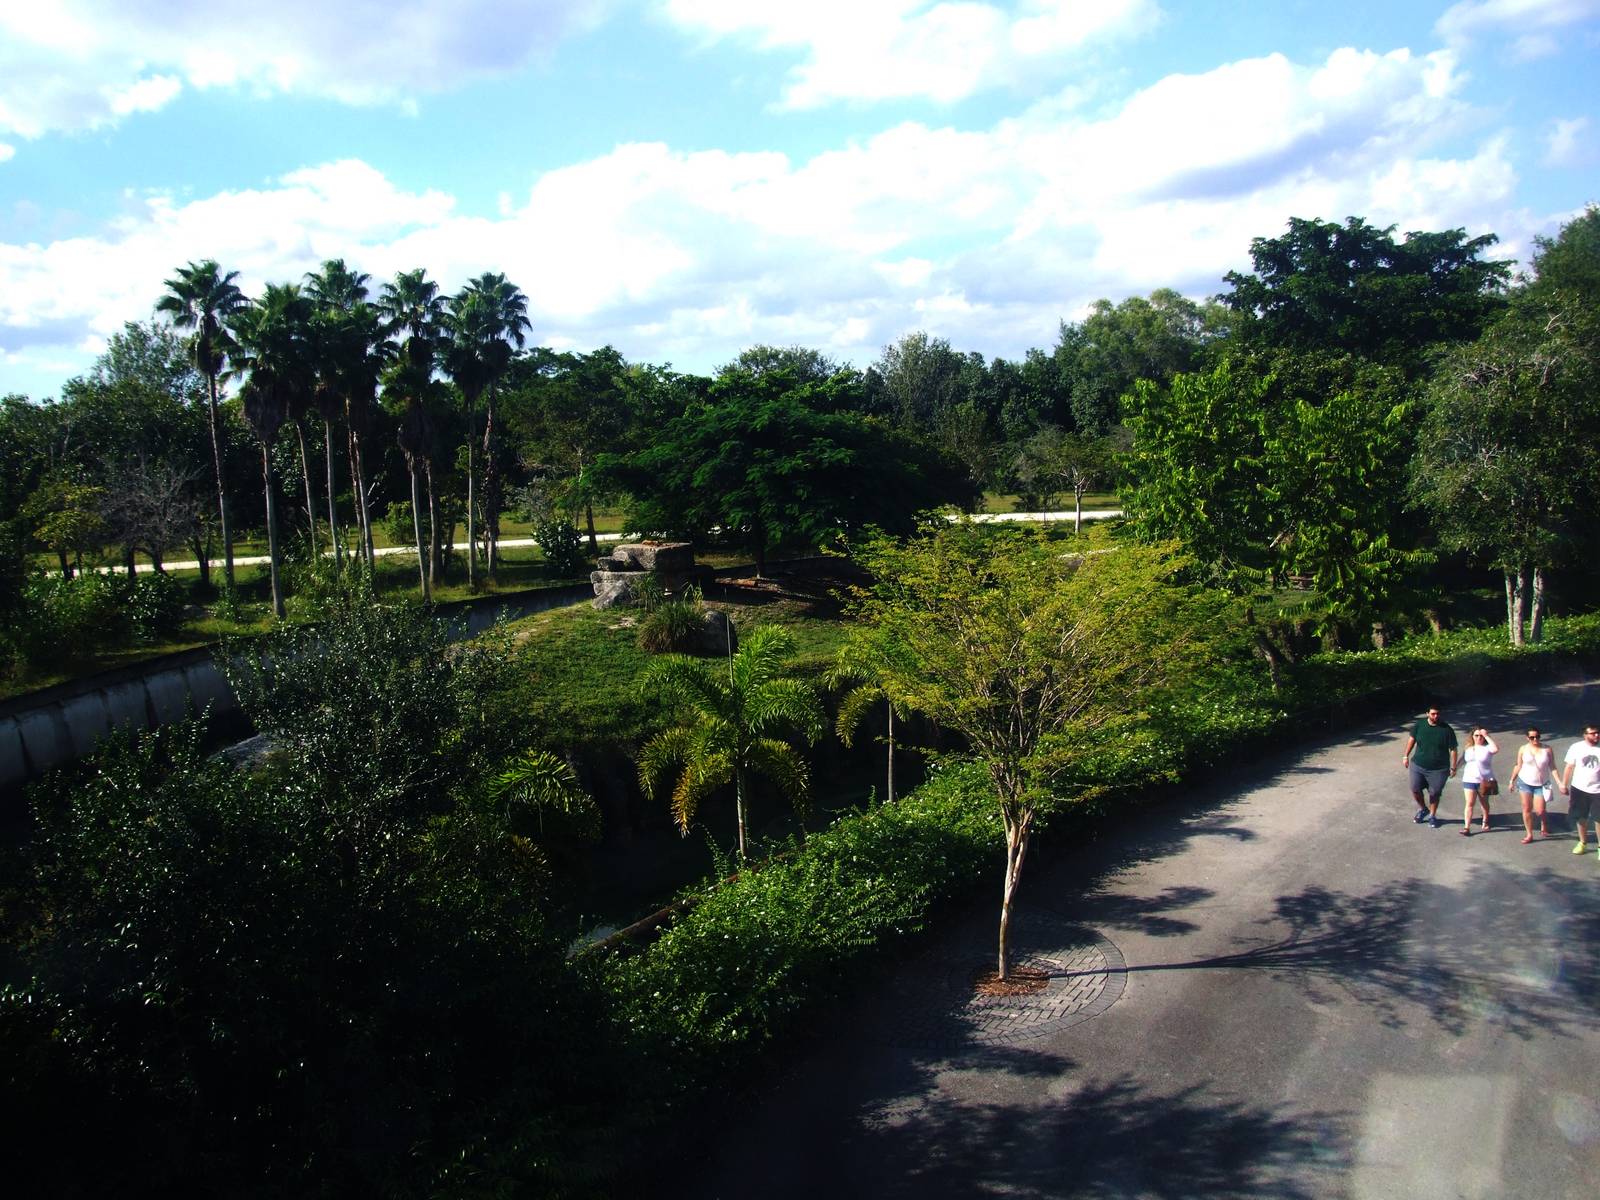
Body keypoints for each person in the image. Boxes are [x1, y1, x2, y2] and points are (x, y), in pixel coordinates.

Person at [1401, 704, 1458, 828]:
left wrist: (1453, 767)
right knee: (1415, 789)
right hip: (1418, 764)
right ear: (1427, 714)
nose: (1435, 716)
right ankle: (1423, 809)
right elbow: (1412, 739)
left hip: (1439, 769)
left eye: (1437, 714)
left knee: (1435, 793)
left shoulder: (1446, 729)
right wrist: (1405, 755)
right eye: (1433, 714)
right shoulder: (1420, 725)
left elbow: (1453, 749)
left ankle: (1432, 815)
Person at [1557, 722, 1600, 855]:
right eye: (1593, 733)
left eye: (1598, 733)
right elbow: (1569, 767)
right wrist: (1563, 784)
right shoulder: (1576, 747)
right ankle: (1582, 842)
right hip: (1579, 789)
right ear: (1585, 735)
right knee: (1581, 817)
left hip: (1598, 790)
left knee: (1598, 819)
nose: (1596, 735)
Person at [1510, 727, 1556, 844]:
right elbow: (1518, 765)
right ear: (1527, 738)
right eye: (1532, 737)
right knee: (1526, 808)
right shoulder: (1523, 749)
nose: (1535, 739)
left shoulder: (1547, 749)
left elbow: (1553, 767)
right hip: (1525, 782)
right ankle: (1529, 834)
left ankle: (1544, 823)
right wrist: (1512, 780)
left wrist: (1560, 782)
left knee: (1540, 810)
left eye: (1537, 736)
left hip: (1543, 783)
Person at [1458, 727, 1498, 836]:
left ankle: (1485, 821)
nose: (1479, 738)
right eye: (1476, 735)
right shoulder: (1468, 748)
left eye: (1481, 736)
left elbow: (1495, 749)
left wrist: (1486, 735)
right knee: (1469, 803)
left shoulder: (1487, 748)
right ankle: (1467, 827)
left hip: (1484, 780)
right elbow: (1462, 760)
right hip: (1469, 779)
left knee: (1484, 802)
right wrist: (1454, 769)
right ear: (1472, 736)